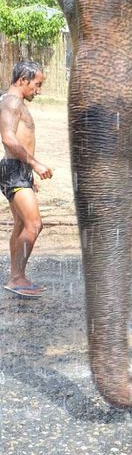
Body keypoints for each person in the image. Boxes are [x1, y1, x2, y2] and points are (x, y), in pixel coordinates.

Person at [0, 60, 52, 298]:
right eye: (36, 84)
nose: (38, 90)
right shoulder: (12, 102)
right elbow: (8, 139)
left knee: (21, 224)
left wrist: (28, 174)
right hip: (14, 170)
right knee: (34, 224)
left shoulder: (13, 101)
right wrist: (34, 163)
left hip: (18, 171)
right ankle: (17, 278)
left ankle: (16, 276)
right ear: (23, 80)